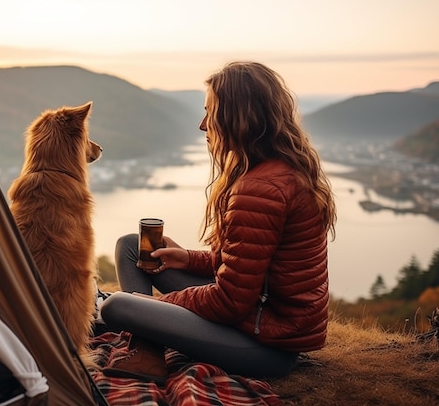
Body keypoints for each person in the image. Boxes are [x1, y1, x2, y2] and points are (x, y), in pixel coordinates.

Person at [99, 61, 337, 385]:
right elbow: (248, 268)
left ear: (237, 118)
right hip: (257, 317)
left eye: (210, 112)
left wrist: (155, 307)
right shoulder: (276, 171)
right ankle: (147, 347)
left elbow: (229, 302)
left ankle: (145, 343)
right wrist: (188, 259)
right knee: (131, 246)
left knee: (116, 307)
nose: (202, 124)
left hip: (264, 345)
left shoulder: (260, 189)